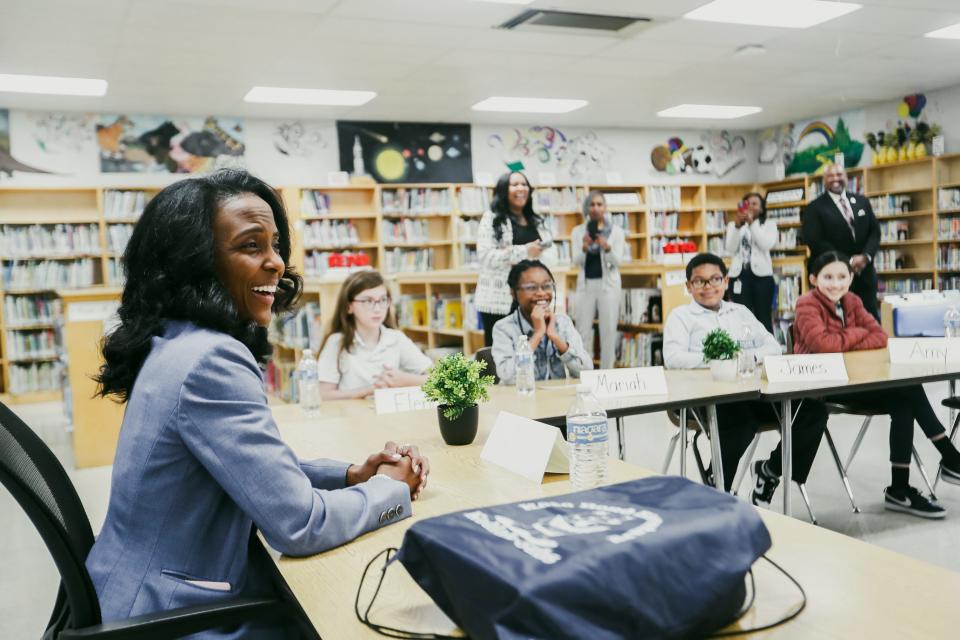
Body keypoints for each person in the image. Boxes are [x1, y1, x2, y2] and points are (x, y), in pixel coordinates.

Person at [87, 170, 429, 637]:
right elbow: (301, 526)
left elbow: (251, 470)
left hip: (132, 590)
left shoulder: (175, 342)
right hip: (171, 616)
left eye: (275, 246)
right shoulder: (212, 359)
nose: (276, 264)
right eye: (251, 246)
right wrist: (389, 488)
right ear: (196, 262)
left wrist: (349, 476)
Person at [794, 250, 960, 518]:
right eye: (828, 277)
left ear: (850, 278)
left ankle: (900, 489)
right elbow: (824, 345)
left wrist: (843, 337)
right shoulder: (806, 304)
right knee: (907, 391)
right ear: (814, 278)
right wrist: (857, 334)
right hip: (827, 386)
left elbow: (880, 337)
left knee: (906, 394)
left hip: (862, 379)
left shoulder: (853, 300)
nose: (835, 283)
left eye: (841, 276)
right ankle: (950, 457)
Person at [663, 253, 827, 505]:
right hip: (707, 399)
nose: (709, 287)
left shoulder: (740, 312)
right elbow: (673, 358)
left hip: (754, 393)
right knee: (739, 418)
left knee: (812, 411)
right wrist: (721, 360)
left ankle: (769, 472)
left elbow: (773, 346)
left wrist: (743, 358)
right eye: (700, 281)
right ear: (688, 286)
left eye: (715, 279)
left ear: (726, 281)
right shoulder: (681, 317)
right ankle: (719, 488)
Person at [317, 270, 432, 400]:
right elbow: (324, 395)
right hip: (352, 417)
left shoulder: (396, 338)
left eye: (383, 300)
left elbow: (436, 378)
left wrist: (405, 380)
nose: (377, 309)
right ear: (349, 306)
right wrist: (368, 390)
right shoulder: (337, 342)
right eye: (367, 301)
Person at [475, 171, 558, 346]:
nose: (521, 188)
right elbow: (486, 256)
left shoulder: (536, 220)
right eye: (515, 184)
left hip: (531, 299)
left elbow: (550, 254)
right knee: (500, 353)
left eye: (524, 184)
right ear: (504, 190)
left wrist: (542, 253)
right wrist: (524, 252)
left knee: (532, 347)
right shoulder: (491, 218)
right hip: (499, 300)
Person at [492, 259, 591, 384]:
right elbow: (509, 378)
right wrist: (538, 334)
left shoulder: (562, 322)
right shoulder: (503, 328)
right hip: (521, 399)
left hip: (555, 399)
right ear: (513, 292)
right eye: (531, 287)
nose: (541, 293)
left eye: (547, 286)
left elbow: (586, 371)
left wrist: (556, 338)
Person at [801, 163, 881, 318]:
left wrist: (865, 256)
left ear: (846, 177)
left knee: (870, 320)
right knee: (840, 322)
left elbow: (875, 232)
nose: (835, 179)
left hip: (864, 274)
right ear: (824, 181)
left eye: (839, 175)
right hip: (835, 278)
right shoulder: (814, 208)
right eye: (831, 176)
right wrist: (848, 261)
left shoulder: (862, 201)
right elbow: (815, 241)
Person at [571, 190, 626, 370]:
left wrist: (607, 247)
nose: (595, 208)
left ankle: (607, 374)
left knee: (608, 332)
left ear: (605, 207)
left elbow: (618, 261)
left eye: (599, 204)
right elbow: (575, 261)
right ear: (587, 208)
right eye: (592, 204)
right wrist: (584, 248)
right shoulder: (578, 232)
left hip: (608, 287)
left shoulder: (616, 232)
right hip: (585, 287)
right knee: (582, 331)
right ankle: (584, 372)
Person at [725, 191, 777, 333]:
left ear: (761, 209)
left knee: (763, 317)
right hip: (739, 276)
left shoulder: (769, 225)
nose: (751, 207)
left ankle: (768, 352)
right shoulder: (733, 226)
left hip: (762, 278)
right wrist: (737, 226)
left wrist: (752, 224)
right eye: (748, 203)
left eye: (755, 204)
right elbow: (730, 247)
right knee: (741, 318)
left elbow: (765, 244)